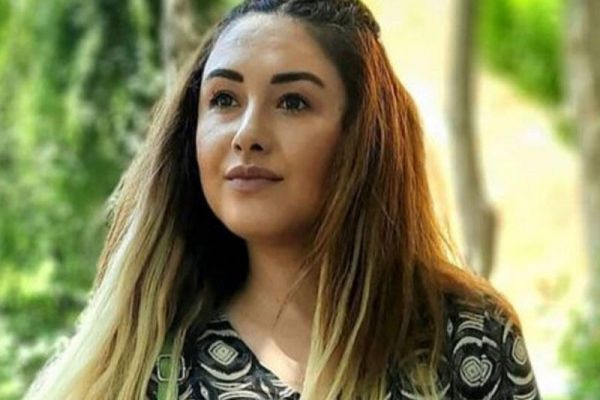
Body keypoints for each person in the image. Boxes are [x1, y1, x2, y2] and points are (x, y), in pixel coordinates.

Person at [25, 0, 540, 399]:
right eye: (224, 99)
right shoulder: (142, 371)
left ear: (363, 138)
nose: (247, 134)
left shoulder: (468, 341)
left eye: (292, 102)